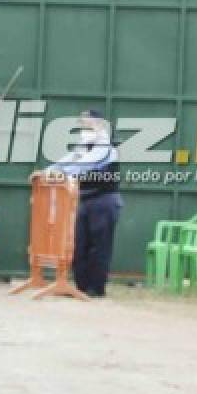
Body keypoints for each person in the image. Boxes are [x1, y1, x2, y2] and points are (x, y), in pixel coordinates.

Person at [45, 109, 122, 298]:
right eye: (83, 123)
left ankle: (96, 289)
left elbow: (84, 166)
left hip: (104, 201)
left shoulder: (107, 148)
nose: (85, 127)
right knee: (78, 245)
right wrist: (47, 172)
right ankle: (80, 288)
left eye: (89, 123)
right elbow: (67, 162)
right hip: (83, 200)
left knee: (99, 247)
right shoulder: (82, 147)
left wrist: (62, 174)